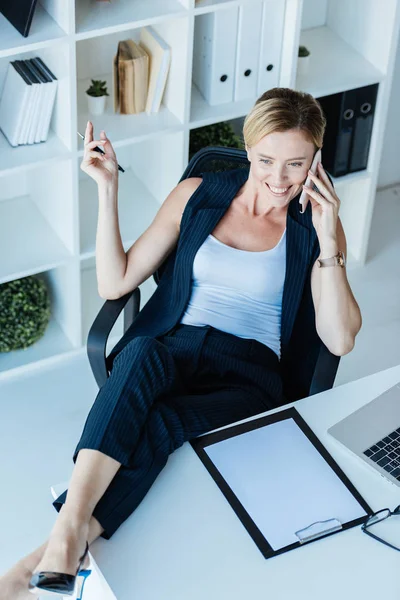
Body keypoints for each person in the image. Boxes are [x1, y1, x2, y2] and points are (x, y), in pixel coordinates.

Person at [1, 87, 362, 599]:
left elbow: (339, 338)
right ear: (248, 146)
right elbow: (115, 281)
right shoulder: (200, 193)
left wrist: (329, 241)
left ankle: (44, 557)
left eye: (296, 164)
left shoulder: (315, 225)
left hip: (247, 374)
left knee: (164, 422)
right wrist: (107, 192)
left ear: (315, 161)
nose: (279, 179)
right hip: (172, 344)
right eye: (265, 160)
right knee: (141, 352)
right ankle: (67, 536)